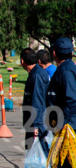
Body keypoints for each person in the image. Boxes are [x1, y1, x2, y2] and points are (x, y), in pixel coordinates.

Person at [47, 37, 76, 168]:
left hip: (68, 130)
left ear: (54, 53)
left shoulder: (66, 71)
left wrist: (66, 124)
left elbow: (71, 98)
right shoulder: (66, 68)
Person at [20, 48, 50, 157]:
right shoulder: (34, 73)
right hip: (32, 121)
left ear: (22, 61)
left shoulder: (37, 75)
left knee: (38, 153)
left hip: (37, 122)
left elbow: (37, 100)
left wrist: (36, 126)